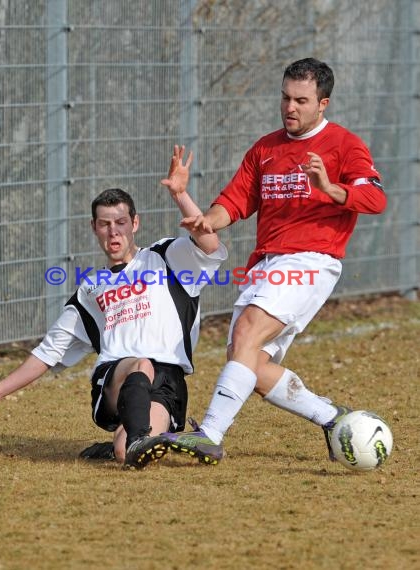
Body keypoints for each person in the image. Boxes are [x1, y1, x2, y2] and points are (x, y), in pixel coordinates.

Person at [139, 57, 387, 466]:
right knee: (247, 358)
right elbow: (234, 202)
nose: (290, 107)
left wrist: (330, 188)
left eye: (301, 100)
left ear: (322, 104)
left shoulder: (345, 145)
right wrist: (205, 217)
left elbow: (375, 198)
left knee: (250, 331)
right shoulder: (266, 148)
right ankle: (333, 418)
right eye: (286, 97)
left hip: (310, 260)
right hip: (267, 263)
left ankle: (210, 435)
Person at [0, 146, 228, 469]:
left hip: (167, 379)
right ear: (94, 227)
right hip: (116, 378)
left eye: (121, 222)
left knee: (128, 453)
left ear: (135, 223)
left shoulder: (165, 257)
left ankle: (124, 443)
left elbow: (209, 244)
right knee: (140, 364)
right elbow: (47, 352)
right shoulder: (90, 289)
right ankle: (141, 437)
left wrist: (180, 194)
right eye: (105, 224)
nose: (114, 231)